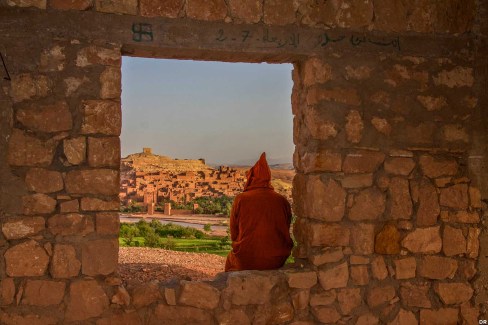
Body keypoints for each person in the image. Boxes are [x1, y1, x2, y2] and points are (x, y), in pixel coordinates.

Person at [225, 152, 293, 271]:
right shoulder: (281, 200)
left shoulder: (241, 199)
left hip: (247, 259)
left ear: (251, 178)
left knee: (231, 264)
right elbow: (286, 228)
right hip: (277, 259)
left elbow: (234, 233)